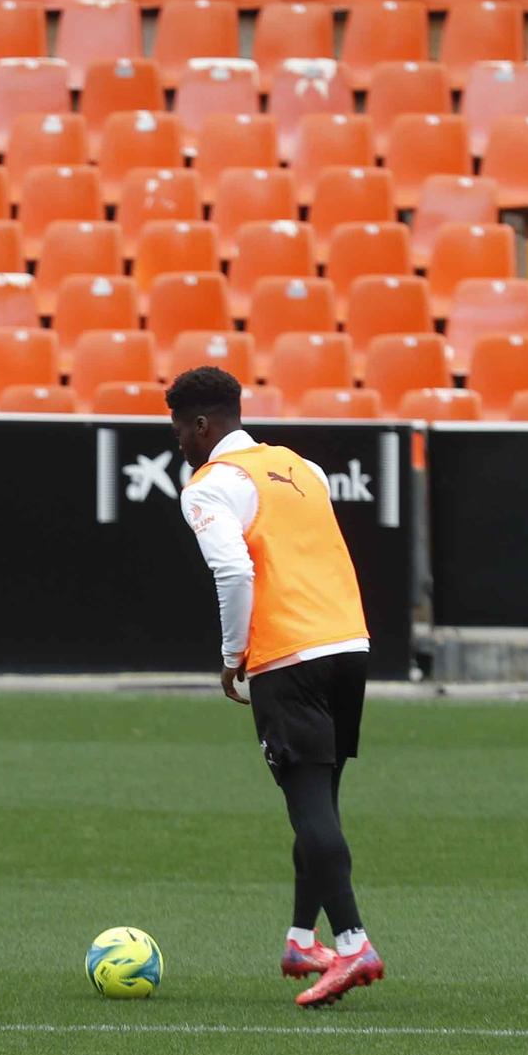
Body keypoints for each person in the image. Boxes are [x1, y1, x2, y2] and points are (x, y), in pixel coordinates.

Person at [167, 367, 381, 1010]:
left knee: (309, 804)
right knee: (322, 798)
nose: (179, 442)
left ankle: (352, 945)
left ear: (202, 425)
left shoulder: (209, 485)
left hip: (288, 655)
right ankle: (299, 938)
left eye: (180, 429)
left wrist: (234, 656)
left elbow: (234, 569)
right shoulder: (302, 467)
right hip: (348, 641)